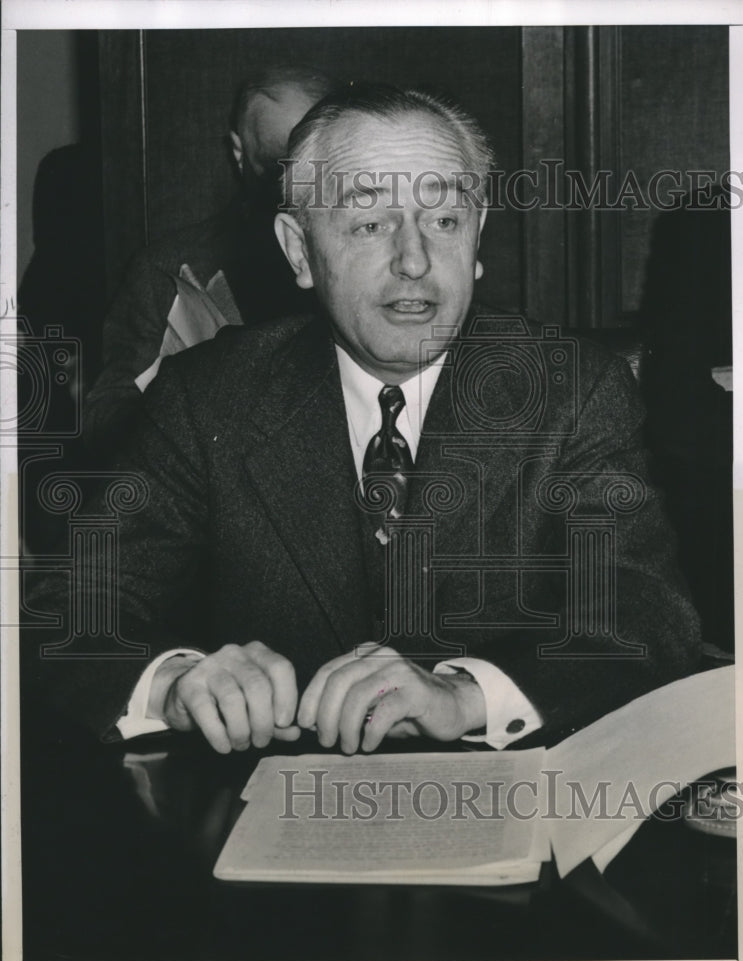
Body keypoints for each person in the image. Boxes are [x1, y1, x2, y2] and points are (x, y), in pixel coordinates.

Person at [26, 84, 701, 756]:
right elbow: (65, 611)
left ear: (477, 236)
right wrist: (174, 683)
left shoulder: (573, 390)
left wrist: (468, 695)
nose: (414, 261)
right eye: (370, 224)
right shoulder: (206, 399)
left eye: (444, 220)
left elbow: (646, 616)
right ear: (299, 251)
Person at [82, 64, 339, 457]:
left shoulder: (375, 256)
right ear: (239, 153)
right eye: (278, 164)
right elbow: (108, 422)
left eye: (318, 165)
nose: (294, 188)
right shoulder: (167, 269)